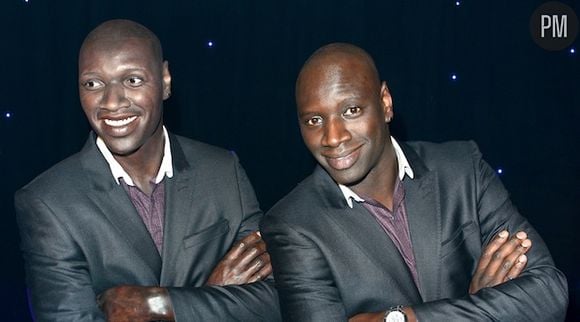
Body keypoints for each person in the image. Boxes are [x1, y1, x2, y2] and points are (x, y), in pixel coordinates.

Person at [260, 43, 568, 321]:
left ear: (385, 103)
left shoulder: (463, 168)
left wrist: (403, 319)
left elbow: (549, 292)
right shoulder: (292, 225)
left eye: (351, 110)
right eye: (314, 120)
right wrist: (480, 306)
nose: (333, 137)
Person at [15, 19, 280, 321]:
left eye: (132, 80)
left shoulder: (222, 170)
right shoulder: (48, 202)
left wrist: (156, 305)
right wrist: (212, 291)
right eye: (93, 83)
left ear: (165, 80)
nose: (112, 102)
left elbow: (274, 301)